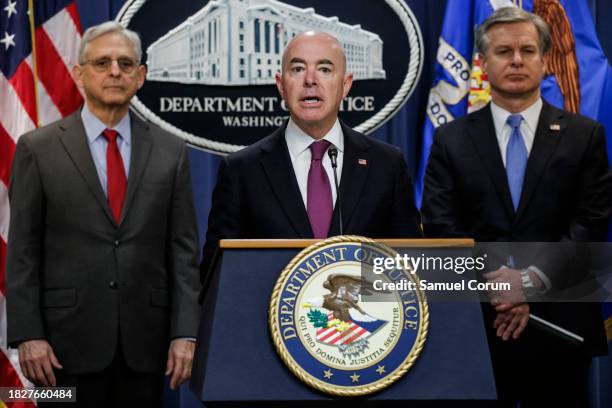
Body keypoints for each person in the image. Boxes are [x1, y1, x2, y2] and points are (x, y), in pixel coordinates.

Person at [421, 7, 612, 406]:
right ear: (484, 63)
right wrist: (498, 285)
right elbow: (441, 226)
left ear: (545, 60)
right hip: (478, 322)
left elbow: (590, 224)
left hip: (561, 323)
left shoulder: (584, 136)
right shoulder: (450, 140)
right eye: (504, 51)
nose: (517, 60)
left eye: (528, 50)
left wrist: (529, 283)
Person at [6, 22, 200, 407]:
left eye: (126, 63)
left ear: (140, 76)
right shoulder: (37, 149)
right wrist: (28, 334)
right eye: (102, 62)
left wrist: (185, 333)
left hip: (146, 351)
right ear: (79, 73)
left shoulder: (170, 151)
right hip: (59, 353)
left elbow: (183, 253)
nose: (115, 71)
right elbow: (23, 252)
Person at [201, 31, 422, 279]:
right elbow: (216, 277)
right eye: (297, 69)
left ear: (346, 85)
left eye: (325, 69)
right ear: (281, 85)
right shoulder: (241, 171)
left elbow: (410, 267)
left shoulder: (387, 165)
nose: (310, 80)